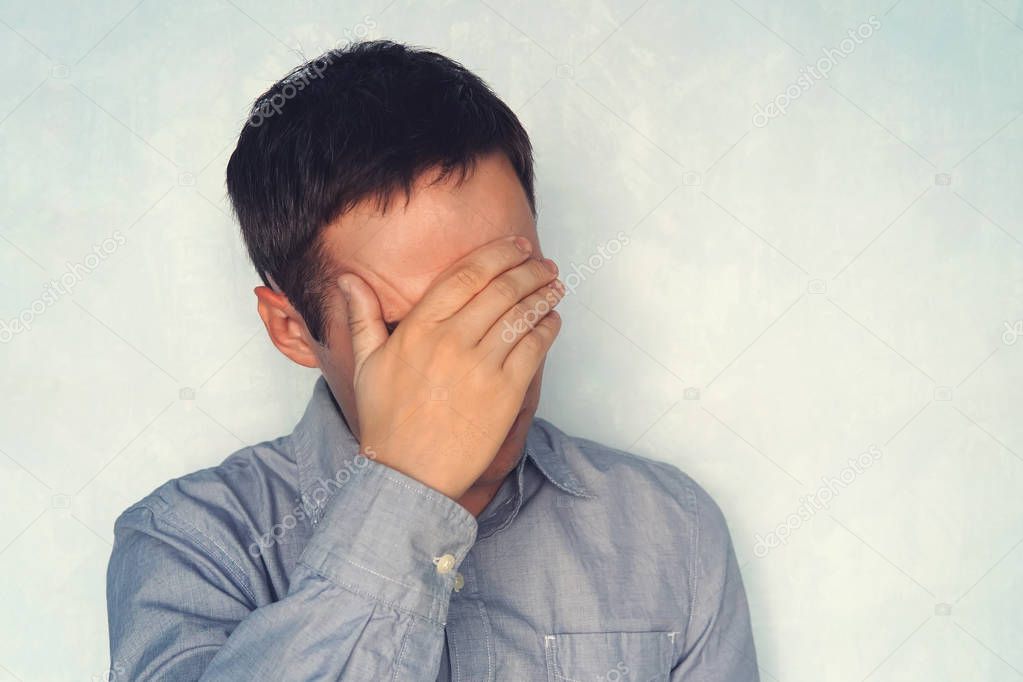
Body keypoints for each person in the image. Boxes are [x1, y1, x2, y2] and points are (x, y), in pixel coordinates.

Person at [105, 39, 759, 681]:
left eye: (508, 294)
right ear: (292, 328)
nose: (479, 365)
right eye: (413, 330)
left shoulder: (672, 527)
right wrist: (405, 488)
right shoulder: (187, 543)